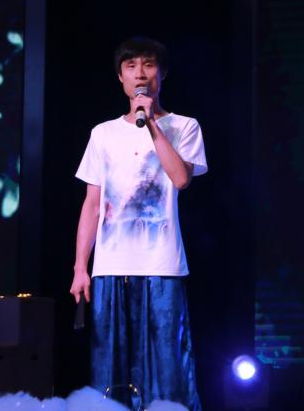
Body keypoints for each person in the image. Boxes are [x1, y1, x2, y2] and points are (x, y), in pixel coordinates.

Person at [70, 37, 207, 411]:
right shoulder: (103, 133)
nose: (140, 73)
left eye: (148, 64)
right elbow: (92, 204)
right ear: (121, 77)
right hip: (110, 267)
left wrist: (152, 127)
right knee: (109, 368)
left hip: (161, 265)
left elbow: (181, 179)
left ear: (161, 74)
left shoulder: (185, 126)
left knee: (167, 366)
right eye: (131, 66)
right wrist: (81, 267)